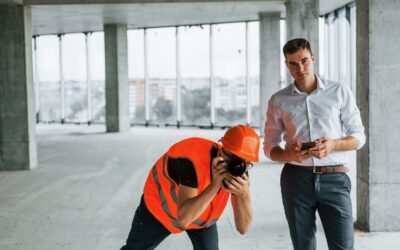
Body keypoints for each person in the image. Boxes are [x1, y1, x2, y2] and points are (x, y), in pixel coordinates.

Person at [263, 38, 365, 250]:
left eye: (304, 61)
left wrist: (334, 145)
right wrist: (288, 155)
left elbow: (359, 136)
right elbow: (269, 146)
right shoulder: (278, 100)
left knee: (344, 246)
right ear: (286, 65)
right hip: (296, 180)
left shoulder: (339, 91)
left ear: (313, 58)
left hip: (335, 179)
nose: (300, 68)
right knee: (303, 246)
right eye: (293, 63)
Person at [120, 125, 260, 250]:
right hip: (159, 210)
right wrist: (215, 184)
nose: (237, 168)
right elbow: (184, 219)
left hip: (201, 217)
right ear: (221, 151)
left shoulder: (240, 171)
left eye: (245, 163)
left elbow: (243, 228)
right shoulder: (190, 159)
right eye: (234, 160)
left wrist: (244, 195)